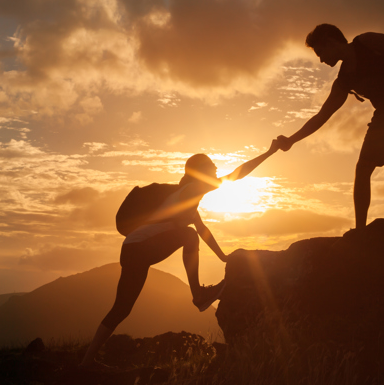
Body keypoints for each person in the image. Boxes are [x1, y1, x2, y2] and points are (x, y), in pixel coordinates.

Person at [79, 141, 280, 368]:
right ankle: (198, 296)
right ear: (200, 172)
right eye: (212, 166)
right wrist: (269, 152)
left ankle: (86, 363)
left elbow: (204, 231)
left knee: (122, 308)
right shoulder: (191, 190)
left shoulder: (187, 201)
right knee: (187, 237)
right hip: (139, 248)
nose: (216, 169)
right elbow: (235, 175)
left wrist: (224, 257)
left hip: (135, 249)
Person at [276, 24, 384, 228]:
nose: (321, 59)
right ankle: (360, 231)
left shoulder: (368, 42)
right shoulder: (344, 80)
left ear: (331, 42)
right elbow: (322, 116)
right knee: (363, 168)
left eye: (320, 52)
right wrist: (291, 140)